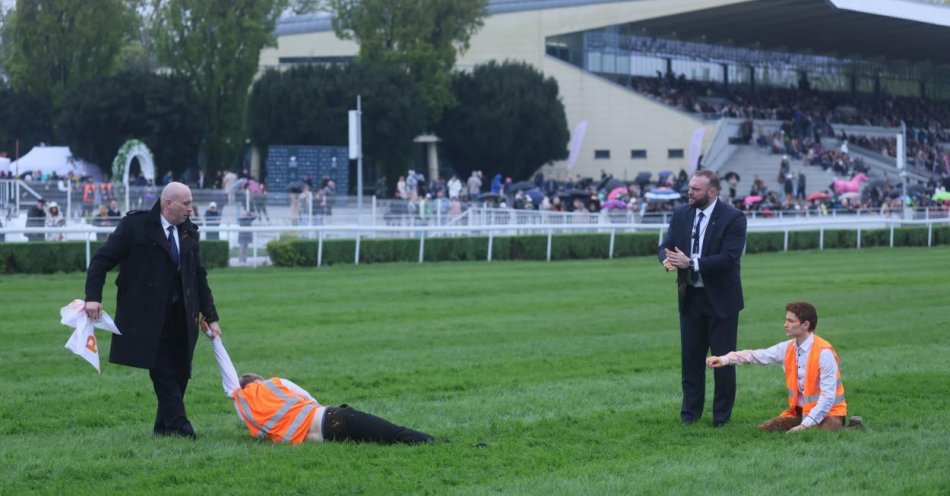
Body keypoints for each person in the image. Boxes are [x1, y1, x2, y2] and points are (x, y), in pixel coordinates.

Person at [83, 182, 221, 439]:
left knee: (181, 372)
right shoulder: (135, 226)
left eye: (191, 203)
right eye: (186, 204)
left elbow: (197, 276)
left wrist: (210, 316)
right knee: (163, 372)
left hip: (182, 317)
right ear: (168, 203)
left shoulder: (189, 230)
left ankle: (164, 427)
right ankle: (181, 427)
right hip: (146, 318)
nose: (191, 209)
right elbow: (101, 261)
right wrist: (93, 298)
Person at [204, 323, 433, 445]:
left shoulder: (245, 408)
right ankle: (442, 444)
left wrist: (215, 342)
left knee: (386, 441)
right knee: (397, 435)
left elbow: (228, 376)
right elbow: (311, 400)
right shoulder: (275, 383)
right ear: (258, 380)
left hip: (326, 439)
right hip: (334, 418)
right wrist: (216, 337)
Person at [658, 170, 747, 427]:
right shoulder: (681, 214)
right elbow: (667, 243)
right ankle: (690, 415)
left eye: (696, 189)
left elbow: (729, 259)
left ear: (712, 192)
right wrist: (666, 258)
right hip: (691, 298)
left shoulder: (733, 217)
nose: (690, 192)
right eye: (690, 188)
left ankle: (721, 418)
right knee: (691, 360)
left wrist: (691, 262)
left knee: (723, 362)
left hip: (722, 301)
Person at [706, 302, 863, 433]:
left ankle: (853, 427)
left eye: (790, 321)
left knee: (818, 436)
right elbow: (755, 355)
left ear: (806, 325)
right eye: (786, 320)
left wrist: (804, 425)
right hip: (799, 413)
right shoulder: (786, 348)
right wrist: (724, 359)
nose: (785, 325)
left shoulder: (824, 353)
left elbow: (827, 398)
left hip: (830, 413)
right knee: (764, 430)